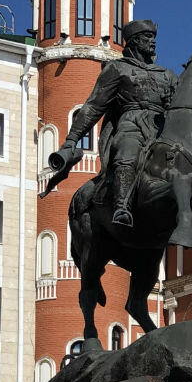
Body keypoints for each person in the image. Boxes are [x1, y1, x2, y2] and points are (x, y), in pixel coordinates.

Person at [52, 19, 178, 227]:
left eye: (154, 37)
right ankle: (122, 208)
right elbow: (93, 106)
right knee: (127, 154)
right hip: (132, 125)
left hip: (162, 127)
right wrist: (71, 141)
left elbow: (182, 105)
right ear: (135, 42)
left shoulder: (168, 75)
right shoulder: (118, 69)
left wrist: (172, 103)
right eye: (147, 37)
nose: (153, 41)